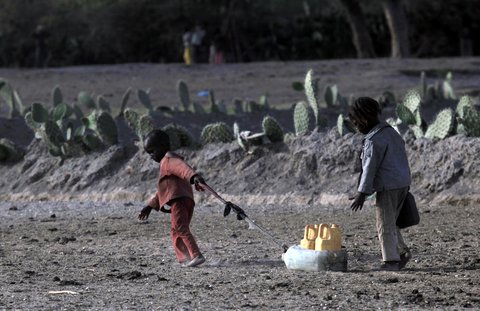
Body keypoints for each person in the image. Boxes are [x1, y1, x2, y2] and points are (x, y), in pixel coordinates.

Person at [349, 97, 412, 271]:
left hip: (388, 187)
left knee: (384, 223)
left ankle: (390, 261)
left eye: (355, 122)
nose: (355, 126)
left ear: (364, 119)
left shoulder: (373, 140)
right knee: (392, 222)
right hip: (402, 184)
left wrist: (362, 193)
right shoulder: (392, 132)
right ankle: (401, 252)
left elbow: (370, 169)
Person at [138, 129, 206, 267]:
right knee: (176, 229)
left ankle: (196, 255)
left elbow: (183, 168)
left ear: (162, 146)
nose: (151, 156)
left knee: (180, 228)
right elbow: (164, 191)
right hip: (184, 199)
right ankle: (185, 258)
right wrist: (150, 206)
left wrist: (194, 177)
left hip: (179, 200)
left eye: (152, 151)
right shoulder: (167, 162)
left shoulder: (169, 160)